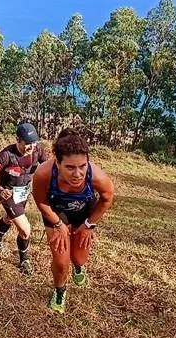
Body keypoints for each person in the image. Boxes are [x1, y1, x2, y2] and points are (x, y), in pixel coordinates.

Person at [31, 128, 114, 314]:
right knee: (61, 262)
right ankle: (59, 291)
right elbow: (40, 201)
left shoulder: (97, 176)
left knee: (78, 257)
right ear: (57, 163)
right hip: (57, 211)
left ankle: (79, 267)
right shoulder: (43, 174)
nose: (77, 173)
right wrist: (58, 224)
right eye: (70, 167)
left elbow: (107, 199)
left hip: (84, 212)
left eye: (82, 166)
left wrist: (89, 225)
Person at [0, 122, 49, 276]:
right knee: (25, 230)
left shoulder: (37, 151)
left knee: (10, 217)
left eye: (34, 143)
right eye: (27, 143)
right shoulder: (6, 154)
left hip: (23, 191)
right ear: (18, 140)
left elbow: (49, 166)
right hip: (8, 193)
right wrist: (0, 189)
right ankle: (24, 260)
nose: (31, 147)